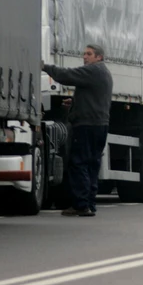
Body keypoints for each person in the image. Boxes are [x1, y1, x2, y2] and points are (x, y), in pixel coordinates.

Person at [43, 44, 113, 217]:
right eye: (84, 54)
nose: (85, 57)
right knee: (92, 164)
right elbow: (94, 100)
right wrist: (74, 104)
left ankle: (81, 204)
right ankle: (90, 203)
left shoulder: (94, 71)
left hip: (87, 125)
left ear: (99, 57)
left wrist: (45, 67)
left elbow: (67, 76)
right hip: (99, 124)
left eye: (89, 54)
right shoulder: (103, 73)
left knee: (79, 163)